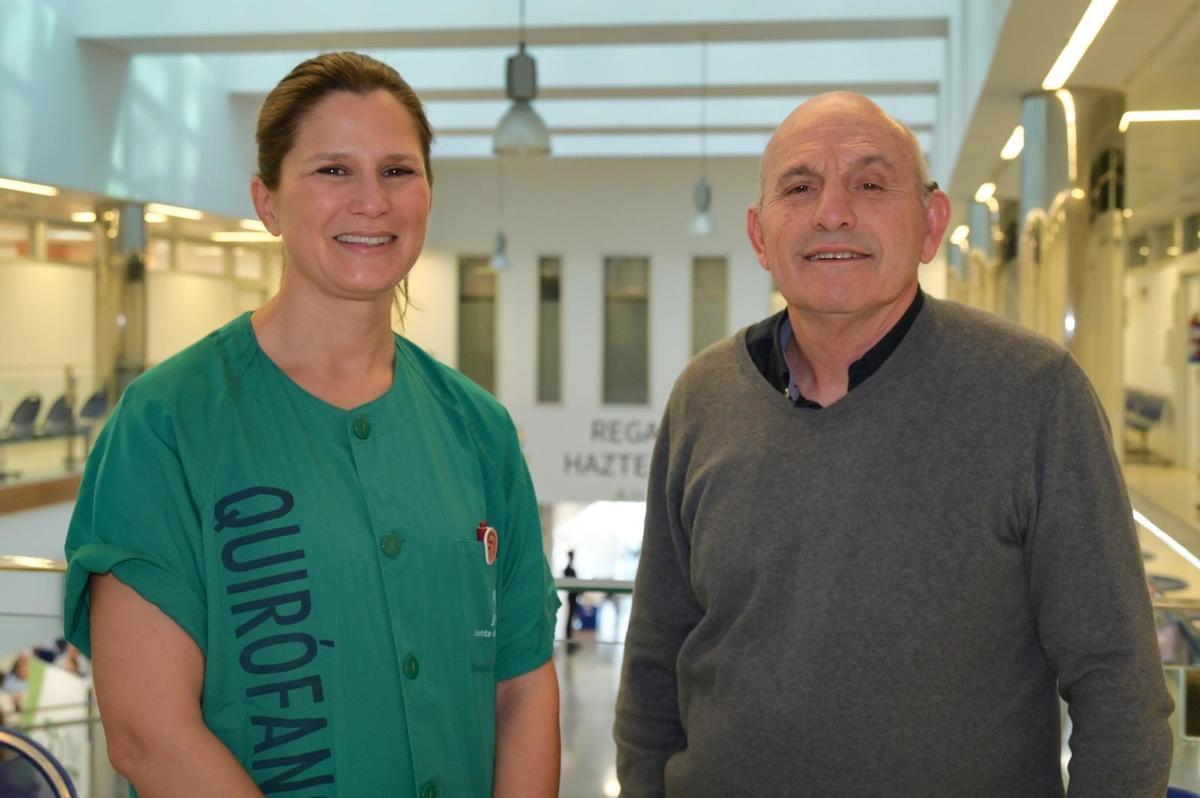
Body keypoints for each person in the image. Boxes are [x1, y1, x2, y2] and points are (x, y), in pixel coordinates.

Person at [614, 92, 1173, 796]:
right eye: (800, 186)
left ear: (931, 224)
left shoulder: (1034, 394)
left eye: (871, 184)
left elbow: (1120, 686)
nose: (833, 212)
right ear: (760, 236)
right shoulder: (705, 397)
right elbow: (653, 665)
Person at [63, 51, 560, 798]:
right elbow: (147, 733)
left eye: (398, 171)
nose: (372, 201)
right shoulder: (168, 423)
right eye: (333, 171)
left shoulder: (477, 429)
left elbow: (522, 686)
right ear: (267, 203)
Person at [563, 550, 579, 644]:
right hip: (571, 596)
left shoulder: (570, 568)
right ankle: (569, 637)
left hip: (573, 595)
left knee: (571, 616)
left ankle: (570, 637)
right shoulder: (568, 569)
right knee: (570, 616)